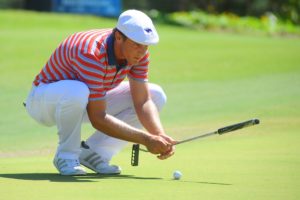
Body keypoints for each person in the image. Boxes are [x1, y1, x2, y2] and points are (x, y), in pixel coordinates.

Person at [25, 9, 176, 176]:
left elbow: (143, 102)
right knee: (78, 91)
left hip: (83, 102)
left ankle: (94, 153)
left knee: (155, 95)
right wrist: (146, 140)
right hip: (44, 104)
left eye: (145, 46)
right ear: (119, 37)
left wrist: (159, 135)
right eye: (137, 45)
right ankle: (66, 155)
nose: (142, 52)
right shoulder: (91, 53)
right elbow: (98, 118)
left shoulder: (138, 55)